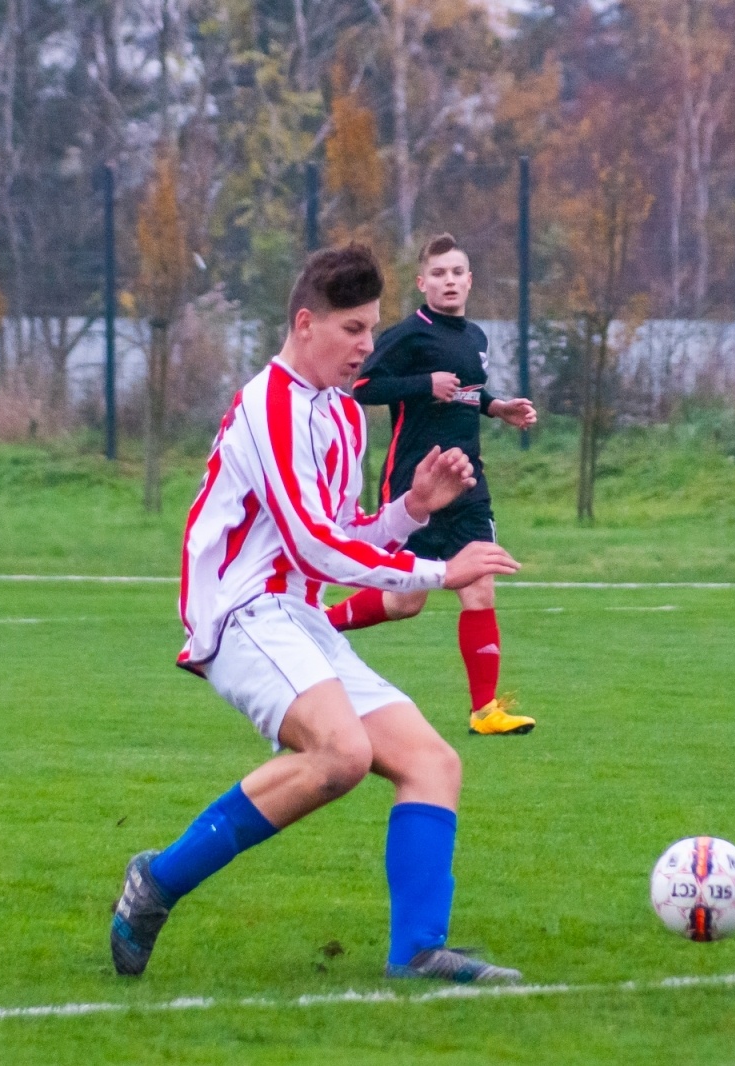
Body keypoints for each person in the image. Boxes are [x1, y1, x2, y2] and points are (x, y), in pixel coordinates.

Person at [110, 243, 525, 985]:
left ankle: (419, 952)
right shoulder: (269, 404)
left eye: (371, 330)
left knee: (433, 762)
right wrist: (439, 568)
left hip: (295, 615)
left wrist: (408, 510)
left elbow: (341, 534)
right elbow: (312, 543)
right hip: (241, 612)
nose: (368, 346)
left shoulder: (340, 415)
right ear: (306, 324)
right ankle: (158, 882)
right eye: (354, 330)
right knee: (342, 754)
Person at [326, 233, 540, 737]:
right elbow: (361, 386)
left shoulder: (476, 339)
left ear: (470, 281)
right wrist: (423, 384)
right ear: (422, 283)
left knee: (480, 586)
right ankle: (321, 625)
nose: (448, 281)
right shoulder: (407, 335)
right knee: (406, 601)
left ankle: (485, 711)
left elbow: (465, 393)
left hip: (468, 482)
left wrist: (495, 406)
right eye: (438, 273)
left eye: (456, 272)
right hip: (416, 484)